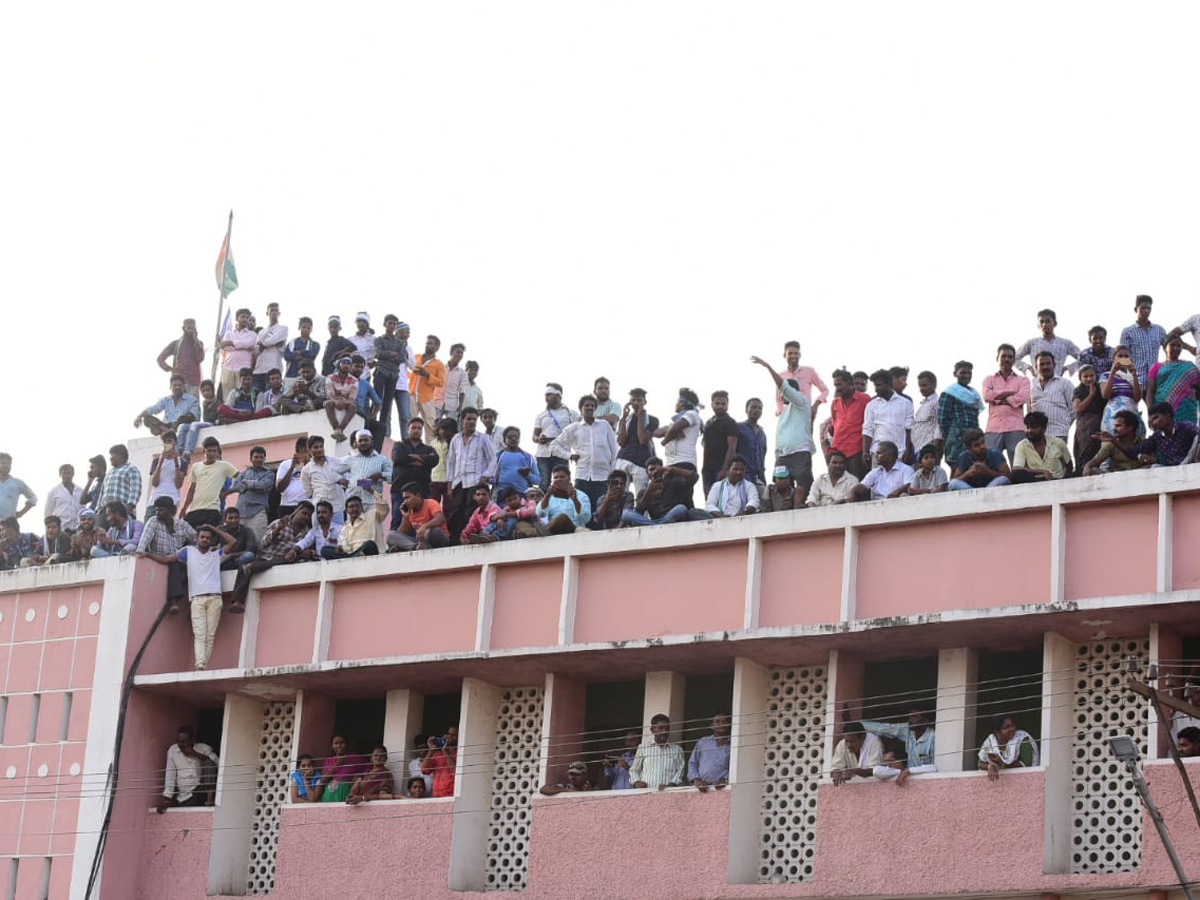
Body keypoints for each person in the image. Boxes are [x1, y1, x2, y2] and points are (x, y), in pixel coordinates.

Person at [154, 525, 235, 669]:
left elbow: (232, 542)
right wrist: (147, 554)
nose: (205, 540)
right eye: (202, 537)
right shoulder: (188, 552)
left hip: (215, 598)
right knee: (199, 634)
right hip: (197, 599)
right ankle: (200, 665)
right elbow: (167, 559)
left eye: (208, 538)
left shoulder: (216, 554)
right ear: (197, 539)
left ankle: (203, 666)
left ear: (212, 540)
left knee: (209, 636)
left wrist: (214, 529)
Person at [229, 502, 313, 612]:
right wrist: (278, 529)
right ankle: (237, 601)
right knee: (244, 565)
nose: (306, 517)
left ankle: (253, 566)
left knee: (286, 559)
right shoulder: (279, 523)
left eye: (309, 515)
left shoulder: (307, 532)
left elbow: (306, 548)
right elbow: (263, 543)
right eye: (304, 513)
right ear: (296, 511)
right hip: (266, 556)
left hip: (287, 559)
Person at [751, 356, 816, 493]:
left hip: (800, 452)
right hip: (783, 456)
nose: (781, 394)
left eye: (783, 391)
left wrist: (768, 366)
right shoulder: (783, 413)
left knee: (804, 486)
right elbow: (780, 437)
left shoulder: (801, 402)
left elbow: (784, 386)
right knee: (780, 488)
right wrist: (777, 456)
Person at [551, 396, 619, 515]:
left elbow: (614, 449)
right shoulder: (574, 428)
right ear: (581, 409)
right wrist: (569, 455)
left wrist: (611, 472)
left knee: (601, 510)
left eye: (592, 406)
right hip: (582, 475)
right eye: (586, 405)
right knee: (583, 510)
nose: (589, 408)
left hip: (602, 476)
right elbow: (554, 445)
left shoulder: (604, 425)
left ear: (595, 409)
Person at [135, 497, 198, 611]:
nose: (157, 513)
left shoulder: (182, 525)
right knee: (174, 565)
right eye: (156, 510)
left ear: (170, 511)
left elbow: (197, 540)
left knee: (177, 565)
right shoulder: (153, 521)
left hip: (179, 561)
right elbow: (144, 540)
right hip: (159, 560)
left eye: (161, 510)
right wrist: (140, 552)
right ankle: (174, 602)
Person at [445, 408, 498, 540]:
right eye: (469, 419)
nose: (472, 422)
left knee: (470, 513)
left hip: (476, 482)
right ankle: (455, 542)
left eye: (474, 419)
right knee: (455, 514)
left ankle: (471, 539)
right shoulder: (455, 440)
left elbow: (493, 460)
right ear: (461, 420)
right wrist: (449, 485)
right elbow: (450, 463)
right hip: (458, 483)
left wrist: (485, 476)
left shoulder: (484, 439)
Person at [621, 457, 704, 526]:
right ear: (647, 473)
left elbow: (694, 477)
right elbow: (639, 511)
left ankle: (656, 525)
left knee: (681, 508)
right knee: (626, 514)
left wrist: (672, 469)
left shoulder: (672, 482)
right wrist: (649, 492)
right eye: (651, 469)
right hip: (654, 521)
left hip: (671, 517)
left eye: (657, 469)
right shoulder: (644, 492)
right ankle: (655, 525)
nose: (655, 472)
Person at [982, 344, 1030, 464]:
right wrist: (1010, 394)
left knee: (1019, 464)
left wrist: (997, 398)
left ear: (1014, 360)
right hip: (993, 427)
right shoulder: (989, 379)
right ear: (997, 358)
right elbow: (987, 396)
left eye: (1010, 357)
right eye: (1003, 356)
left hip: (1016, 427)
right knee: (990, 463)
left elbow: (1023, 398)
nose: (1007, 359)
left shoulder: (1023, 380)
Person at [156, 726, 219, 812]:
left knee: (208, 762)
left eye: (184, 741)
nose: (181, 744)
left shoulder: (202, 748)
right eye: (179, 741)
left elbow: (217, 763)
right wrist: (167, 799)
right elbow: (170, 774)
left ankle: (209, 800)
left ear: (192, 740)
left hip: (201, 790)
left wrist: (195, 754)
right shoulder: (173, 751)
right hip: (185, 796)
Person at [135, 374, 202, 456]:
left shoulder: (191, 399)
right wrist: (139, 417)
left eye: (179, 385)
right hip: (166, 425)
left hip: (181, 424)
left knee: (185, 418)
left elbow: (195, 416)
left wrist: (181, 422)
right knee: (147, 419)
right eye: (175, 385)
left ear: (184, 387)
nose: (177, 387)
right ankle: (168, 431)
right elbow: (153, 408)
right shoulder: (166, 400)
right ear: (170, 387)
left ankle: (166, 431)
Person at [180, 437, 239, 529]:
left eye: (214, 451)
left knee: (208, 539)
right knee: (188, 538)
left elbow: (240, 477)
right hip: (194, 510)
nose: (212, 454)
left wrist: (228, 492)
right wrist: (184, 508)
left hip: (212, 510)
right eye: (209, 451)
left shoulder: (224, 465)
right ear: (204, 451)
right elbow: (191, 490)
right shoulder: (196, 466)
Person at [854, 704, 936, 768]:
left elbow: (934, 767)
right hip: (910, 779)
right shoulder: (907, 730)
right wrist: (856, 725)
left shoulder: (933, 738)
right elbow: (884, 728)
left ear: (926, 720)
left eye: (915, 717)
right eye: (910, 717)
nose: (910, 720)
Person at [532, 384, 579, 491]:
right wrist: (539, 439)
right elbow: (534, 436)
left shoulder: (571, 413)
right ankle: (543, 506)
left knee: (562, 483)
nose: (546, 398)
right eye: (545, 395)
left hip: (562, 453)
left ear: (558, 395)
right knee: (544, 484)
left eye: (549, 395)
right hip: (543, 454)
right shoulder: (541, 415)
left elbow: (578, 432)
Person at [861, 369, 913, 465]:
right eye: (875, 386)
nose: (876, 389)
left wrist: (908, 451)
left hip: (899, 454)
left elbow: (909, 430)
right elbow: (867, 430)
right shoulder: (871, 405)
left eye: (879, 385)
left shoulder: (905, 403)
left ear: (889, 384)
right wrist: (865, 452)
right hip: (877, 455)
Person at [1147, 334, 1200, 427]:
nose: (1176, 348)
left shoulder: (1189, 366)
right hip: (1162, 413)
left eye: (1179, 346)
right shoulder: (1156, 367)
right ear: (1165, 348)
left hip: (1187, 411)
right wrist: (1150, 414)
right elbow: (1150, 392)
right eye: (1172, 345)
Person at [937, 361, 983, 468]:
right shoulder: (949, 392)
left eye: (969, 373)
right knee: (956, 466)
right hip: (957, 436)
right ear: (955, 374)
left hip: (973, 436)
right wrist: (952, 435)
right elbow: (942, 419)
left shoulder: (974, 394)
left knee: (974, 466)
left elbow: (975, 417)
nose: (966, 375)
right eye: (962, 372)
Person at [391, 420, 438, 521]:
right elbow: (398, 458)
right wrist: (423, 461)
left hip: (422, 492)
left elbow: (434, 460)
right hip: (400, 491)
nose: (416, 430)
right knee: (397, 521)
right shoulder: (399, 445)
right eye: (413, 428)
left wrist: (410, 459)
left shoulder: (428, 449)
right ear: (408, 430)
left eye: (419, 428)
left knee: (421, 522)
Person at [829, 369, 872, 479]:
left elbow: (870, 425)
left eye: (839, 384)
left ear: (849, 383)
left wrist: (866, 451)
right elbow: (835, 425)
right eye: (835, 385)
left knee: (857, 488)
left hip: (856, 453)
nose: (837, 388)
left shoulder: (865, 399)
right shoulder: (835, 402)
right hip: (838, 452)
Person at [615, 388, 659, 495]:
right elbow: (621, 441)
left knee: (641, 495)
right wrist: (624, 417)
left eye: (639, 400)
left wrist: (640, 417)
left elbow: (643, 440)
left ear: (645, 402)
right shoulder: (626, 419)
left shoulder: (652, 420)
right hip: (623, 458)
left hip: (641, 462)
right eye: (633, 400)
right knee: (619, 494)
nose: (636, 403)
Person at [1119, 294, 1167, 387]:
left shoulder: (1159, 330)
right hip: (1134, 380)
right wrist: (1131, 371)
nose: (1146, 311)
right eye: (1143, 308)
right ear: (1135, 309)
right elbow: (1121, 358)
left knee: (1154, 402)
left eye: (1148, 308)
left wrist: (1162, 368)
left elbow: (1169, 352)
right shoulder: (1128, 332)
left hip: (1154, 380)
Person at [301, 435, 350, 526]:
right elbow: (309, 492)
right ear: (309, 449)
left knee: (339, 538)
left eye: (321, 446)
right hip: (319, 511)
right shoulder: (306, 470)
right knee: (319, 538)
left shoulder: (336, 461)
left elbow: (346, 481)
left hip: (337, 509)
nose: (319, 449)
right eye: (315, 447)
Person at [1015, 308, 1080, 376]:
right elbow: (1014, 358)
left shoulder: (1065, 343)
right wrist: (1027, 367)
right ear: (1038, 325)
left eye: (1048, 321)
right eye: (1041, 322)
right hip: (1037, 382)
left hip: (1058, 382)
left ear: (1055, 323)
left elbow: (1084, 359)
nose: (1044, 324)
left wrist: (1068, 368)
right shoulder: (1032, 343)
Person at [1132, 402, 1200, 467]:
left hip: (1190, 463)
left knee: (1197, 438)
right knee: (1154, 467)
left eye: (1156, 418)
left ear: (1167, 416)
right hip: (1173, 469)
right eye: (1152, 420)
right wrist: (1140, 456)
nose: (1154, 423)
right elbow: (1138, 449)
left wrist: (1197, 458)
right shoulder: (1157, 436)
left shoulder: (1186, 426)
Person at [655, 388, 704, 479]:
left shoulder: (692, 414)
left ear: (681, 402)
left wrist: (664, 441)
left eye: (677, 401)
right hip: (672, 464)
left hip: (683, 463)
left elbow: (674, 429)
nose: (676, 404)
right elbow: (657, 433)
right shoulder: (678, 421)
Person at [1011, 411, 1073, 482]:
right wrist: (1042, 471)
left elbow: (1069, 466)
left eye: (1034, 427)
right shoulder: (1022, 445)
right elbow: (1017, 469)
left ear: (1044, 428)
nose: (1029, 431)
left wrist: (1064, 481)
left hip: (1056, 480)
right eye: (1028, 427)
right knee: (1016, 474)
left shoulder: (1058, 443)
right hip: (1034, 482)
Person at [387, 483, 451, 551]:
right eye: (404, 499)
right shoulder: (409, 511)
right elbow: (401, 534)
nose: (405, 501)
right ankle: (415, 547)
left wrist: (425, 526)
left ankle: (419, 546)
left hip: (437, 539)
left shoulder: (430, 503)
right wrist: (405, 517)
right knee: (391, 536)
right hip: (420, 543)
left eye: (408, 498)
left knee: (432, 532)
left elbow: (441, 519)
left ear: (418, 496)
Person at [629, 714, 686, 790]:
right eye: (660, 728)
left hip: (669, 794)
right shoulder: (643, 747)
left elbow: (680, 770)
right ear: (652, 730)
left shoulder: (677, 750)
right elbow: (634, 770)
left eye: (667, 728)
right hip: (646, 793)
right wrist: (636, 782)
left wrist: (671, 785)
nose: (664, 731)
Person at [229, 446, 274, 540]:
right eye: (256, 457)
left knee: (257, 542)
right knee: (239, 543)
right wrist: (255, 484)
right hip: (241, 513)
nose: (259, 460)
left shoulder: (269, 474)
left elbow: (265, 485)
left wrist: (249, 483)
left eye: (261, 457)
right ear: (251, 459)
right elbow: (237, 486)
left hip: (258, 513)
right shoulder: (244, 473)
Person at [1030, 351, 1076, 442]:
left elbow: (1074, 409)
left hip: (1058, 433)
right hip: (1037, 435)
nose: (1045, 367)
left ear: (1054, 365)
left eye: (1048, 363)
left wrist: (1065, 425)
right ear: (1036, 367)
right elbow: (1029, 409)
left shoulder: (1065, 383)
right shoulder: (1032, 385)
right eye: (1041, 364)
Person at [700, 390, 740, 494]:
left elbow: (732, 448)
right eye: (717, 403)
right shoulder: (709, 423)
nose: (720, 406)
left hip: (721, 468)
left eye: (723, 404)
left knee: (722, 500)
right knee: (709, 501)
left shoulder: (730, 423)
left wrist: (725, 469)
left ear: (727, 405)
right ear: (712, 404)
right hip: (707, 469)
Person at [978, 714, 1039, 780]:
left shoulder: (1022, 738)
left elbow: (1026, 764)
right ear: (997, 731)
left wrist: (1002, 764)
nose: (1012, 729)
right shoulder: (990, 741)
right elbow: (980, 764)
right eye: (1006, 727)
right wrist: (990, 766)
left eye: (1012, 725)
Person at [775, 341, 828, 416]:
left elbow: (825, 390)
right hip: (787, 416)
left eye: (796, 353)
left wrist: (815, 405)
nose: (793, 356)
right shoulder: (780, 376)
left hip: (804, 414)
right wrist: (780, 411)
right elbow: (778, 399)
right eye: (790, 353)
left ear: (799, 355)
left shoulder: (809, 371)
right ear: (784, 355)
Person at [1099, 345, 1143, 437]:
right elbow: (1105, 395)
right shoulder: (1105, 375)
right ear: (1114, 358)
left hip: (1131, 414)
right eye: (1120, 356)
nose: (1123, 358)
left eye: (1126, 356)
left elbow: (1137, 397)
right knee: (1111, 445)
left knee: (1131, 445)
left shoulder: (1137, 376)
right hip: (1112, 416)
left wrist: (1134, 376)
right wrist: (1113, 373)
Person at [1085, 410, 1144, 475]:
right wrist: (1087, 467)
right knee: (1092, 470)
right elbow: (1094, 461)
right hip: (1116, 478)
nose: (1114, 429)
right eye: (1115, 426)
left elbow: (1152, 460)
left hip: (1139, 478)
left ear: (1130, 427)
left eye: (1118, 426)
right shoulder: (1111, 444)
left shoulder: (1142, 442)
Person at [372, 314, 404, 434]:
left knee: (387, 403)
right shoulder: (379, 340)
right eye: (389, 323)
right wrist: (390, 354)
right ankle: (372, 424)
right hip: (381, 372)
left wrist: (386, 355)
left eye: (394, 324)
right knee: (376, 399)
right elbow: (377, 354)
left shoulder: (400, 343)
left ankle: (382, 429)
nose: (391, 326)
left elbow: (401, 359)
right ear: (384, 324)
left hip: (393, 375)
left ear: (396, 326)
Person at [157, 318, 206, 395]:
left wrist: (195, 339)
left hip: (193, 382)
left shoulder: (199, 344)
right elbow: (160, 359)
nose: (190, 331)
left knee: (192, 406)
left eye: (192, 328)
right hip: (179, 381)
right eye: (188, 328)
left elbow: (200, 358)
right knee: (179, 405)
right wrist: (169, 368)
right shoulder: (176, 344)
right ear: (184, 328)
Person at [538, 464, 592, 534]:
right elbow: (540, 514)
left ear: (569, 478)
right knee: (522, 525)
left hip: (574, 529)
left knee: (562, 518)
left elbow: (585, 519)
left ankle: (545, 531)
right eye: (556, 477)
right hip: (554, 530)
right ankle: (535, 533)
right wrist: (547, 496)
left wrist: (575, 500)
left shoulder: (581, 496)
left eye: (562, 477)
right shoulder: (549, 496)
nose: (559, 479)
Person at [410, 335, 447, 433]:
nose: (427, 345)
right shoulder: (416, 357)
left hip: (427, 398)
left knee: (430, 425)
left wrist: (427, 375)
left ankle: (430, 447)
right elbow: (407, 372)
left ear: (437, 347)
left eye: (430, 343)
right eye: (427, 343)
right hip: (412, 394)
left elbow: (441, 382)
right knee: (409, 423)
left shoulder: (439, 364)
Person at [1073, 364, 1106, 472]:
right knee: (1083, 451)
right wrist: (1091, 395)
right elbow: (1078, 408)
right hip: (1084, 426)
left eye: (1091, 376)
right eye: (1085, 377)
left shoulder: (1100, 387)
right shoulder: (1078, 390)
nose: (1089, 379)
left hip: (1099, 423)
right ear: (1080, 378)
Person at [318, 734, 369, 804]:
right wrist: (338, 763)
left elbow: (367, 772)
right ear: (332, 746)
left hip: (345, 793)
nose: (339, 745)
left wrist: (357, 778)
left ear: (346, 744)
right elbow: (323, 780)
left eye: (342, 743)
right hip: (329, 795)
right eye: (336, 743)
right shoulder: (328, 761)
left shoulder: (355, 758)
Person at [333, 491, 387, 557]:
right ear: (346, 510)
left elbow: (384, 509)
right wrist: (341, 549)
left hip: (371, 552)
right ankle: (356, 556)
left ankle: (358, 555)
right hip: (353, 555)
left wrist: (372, 491)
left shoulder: (373, 516)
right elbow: (345, 547)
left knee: (369, 544)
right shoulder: (345, 528)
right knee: (325, 550)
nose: (354, 509)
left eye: (357, 506)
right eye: (351, 507)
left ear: (361, 508)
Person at [347, 430, 393, 505]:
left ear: (371, 441)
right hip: (354, 505)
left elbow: (392, 477)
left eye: (366, 440)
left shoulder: (382, 459)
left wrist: (381, 474)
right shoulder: (349, 459)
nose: (363, 443)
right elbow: (337, 475)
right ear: (356, 443)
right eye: (360, 441)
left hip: (373, 504)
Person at [219, 308, 257, 398]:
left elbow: (248, 343)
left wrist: (231, 343)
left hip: (243, 369)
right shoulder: (229, 333)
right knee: (227, 397)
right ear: (237, 318)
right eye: (242, 317)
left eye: (247, 317)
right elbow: (224, 346)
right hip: (228, 367)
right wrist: (243, 346)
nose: (245, 319)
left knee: (242, 396)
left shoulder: (252, 334)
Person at [482, 487, 546, 540]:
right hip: (516, 527)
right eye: (510, 500)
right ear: (506, 502)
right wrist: (499, 519)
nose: (513, 502)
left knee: (513, 517)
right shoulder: (507, 508)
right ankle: (485, 534)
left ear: (519, 497)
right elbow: (496, 516)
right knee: (497, 521)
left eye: (515, 498)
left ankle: (497, 536)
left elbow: (530, 512)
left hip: (531, 524)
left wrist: (507, 515)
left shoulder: (529, 502)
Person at [688, 712, 731, 791]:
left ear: (729, 724)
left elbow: (735, 767)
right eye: (717, 722)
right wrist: (696, 780)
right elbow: (692, 763)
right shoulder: (703, 742)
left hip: (722, 789)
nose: (721, 724)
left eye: (724, 722)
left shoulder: (732, 745)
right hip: (702, 789)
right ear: (712, 725)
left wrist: (726, 780)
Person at [96, 444, 141, 519]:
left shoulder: (131, 469)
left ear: (121, 455)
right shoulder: (110, 472)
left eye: (113, 455)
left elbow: (135, 490)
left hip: (122, 510)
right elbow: (102, 492)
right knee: (102, 531)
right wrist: (98, 509)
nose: (110, 458)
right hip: (105, 511)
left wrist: (129, 508)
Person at [492, 426, 539, 498]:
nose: (513, 439)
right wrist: (493, 480)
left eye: (516, 437)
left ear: (519, 439)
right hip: (503, 496)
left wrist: (528, 474)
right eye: (510, 437)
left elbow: (537, 481)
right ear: (504, 440)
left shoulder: (528, 457)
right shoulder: (498, 456)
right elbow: (491, 477)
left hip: (523, 497)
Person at [349, 355, 385, 449]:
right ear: (350, 366)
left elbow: (378, 403)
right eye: (356, 366)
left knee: (381, 427)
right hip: (346, 409)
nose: (359, 369)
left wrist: (372, 415)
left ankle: (374, 453)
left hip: (360, 413)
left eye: (361, 367)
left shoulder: (365, 384)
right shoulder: (342, 379)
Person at [252, 302, 288, 392]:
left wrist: (263, 344)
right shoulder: (261, 331)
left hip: (273, 367)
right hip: (259, 369)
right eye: (272, 310)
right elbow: (256, 349)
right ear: (267, 313)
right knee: (257, 399)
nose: (274, 312)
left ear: (279, 313)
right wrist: (273, 343)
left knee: (271, 397)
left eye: (276, 310)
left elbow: (270, 341)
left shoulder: (283, 328)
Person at [324, 355, 360, 442]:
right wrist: (336, 401)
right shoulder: (330, 377)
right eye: (344, 363)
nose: (346, 365)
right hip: (333, 400)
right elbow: (330, 394)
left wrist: (344, 401)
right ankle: (337, 429)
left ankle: (340, 429)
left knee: (353, 407)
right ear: (339, 364)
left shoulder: (354, 380)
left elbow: (352, 397)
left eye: (348, 364)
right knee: (328, 404)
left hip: (346, 401)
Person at [735, 398, 768, 493]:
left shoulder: (762, 433)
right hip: (742, 474)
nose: (756, 410)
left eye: (759, 408)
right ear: (746, 410)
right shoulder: (739, 427)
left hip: (758, 477)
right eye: (753, 407)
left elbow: (763, 455)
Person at [910, 371, 942, 465]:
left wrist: (936, 451)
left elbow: (939, 426)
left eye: (924, 385)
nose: (921, 389)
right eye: (920, 386)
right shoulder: (924, 404)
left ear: (934, 384)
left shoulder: (937, 402)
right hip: (918, 448)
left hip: (929, 448)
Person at [147, 433, 186, 510]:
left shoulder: (182, 462)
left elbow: (178, 484)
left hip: (172, 501)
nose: (168, 444)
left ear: (175, 442)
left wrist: (175, 461)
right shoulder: (156, 461)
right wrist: (161, 460)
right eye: (165, 442)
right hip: (154, 501)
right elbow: (154, 483)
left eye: (170, 441)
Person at [276, 437, 312, 519]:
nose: (303, 454)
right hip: (287, 505)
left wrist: (307, 466)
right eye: (300, 451)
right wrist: (292, 467)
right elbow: (279, 487)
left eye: (306, 451)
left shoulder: (314, 465)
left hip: (308, 504)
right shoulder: (285, 464)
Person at [44, 464, 82, 533]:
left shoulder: (80, 490)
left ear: (73, 474)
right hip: (61, 530)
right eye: (64, 473)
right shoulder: (54, 491)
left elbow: (83, 509)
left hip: (78, 530)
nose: (67, 476)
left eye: (69, 473)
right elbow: (48, 513)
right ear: (60, 475)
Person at [421, 727, 459, 798]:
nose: (450, 737)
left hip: (453, 796)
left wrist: (445, 751)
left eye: (454, 735)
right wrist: (431, 750)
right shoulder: (438, 754)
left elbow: (456, 772)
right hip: (437, 796)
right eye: (449, 734)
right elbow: (425, 770)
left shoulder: (460, 754)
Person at [872, 750, 937, 786]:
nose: (888, 765)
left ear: (901, 761)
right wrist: (900, 772)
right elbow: (876, 771)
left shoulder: (911, 770)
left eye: (891, 761)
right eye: (885, 762)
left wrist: (907, 771)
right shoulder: (888, 772)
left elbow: (933, 768)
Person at [440, 343, 468, 420]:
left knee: (451, 427)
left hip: (452, 405)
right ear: (451, 353)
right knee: (434, 425)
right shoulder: (441, 367)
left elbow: (462, 390)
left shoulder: (463, 373)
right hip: (437, 402)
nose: (460, 355)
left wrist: (461, 406)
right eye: (458, 352)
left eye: (462, 353)